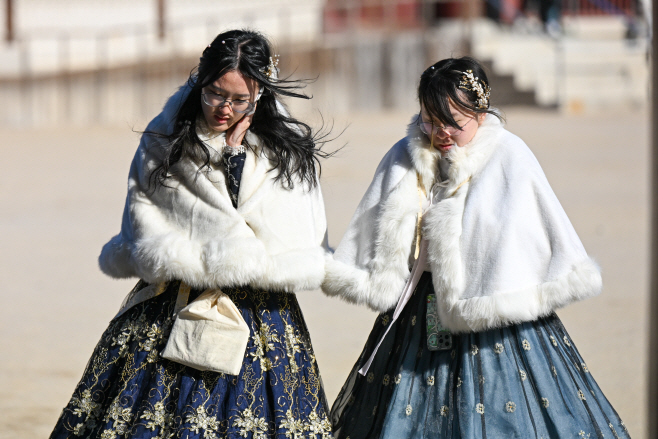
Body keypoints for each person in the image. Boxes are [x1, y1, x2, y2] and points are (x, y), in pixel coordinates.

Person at [322, 57, 629, 438]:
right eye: (429, 120)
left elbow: (525, 235)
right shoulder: (405, 154)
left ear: (480, 114)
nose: (440, 132)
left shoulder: (509, 156)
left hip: (495, 312)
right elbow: (376, 221)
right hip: (420, 310)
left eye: (453, 121)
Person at [50, 29, 333, 439]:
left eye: (240, 99)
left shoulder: (282, 150)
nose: (224, 108)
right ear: (200, 80)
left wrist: (235, 160)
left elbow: (294, 229)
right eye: (216, 93)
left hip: (259, 308)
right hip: (172, 297)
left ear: (260, 95)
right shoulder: (164, 137)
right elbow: (143, 213)